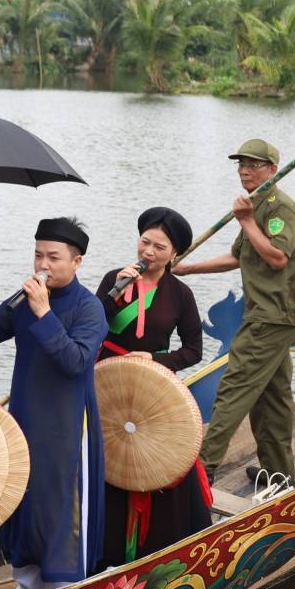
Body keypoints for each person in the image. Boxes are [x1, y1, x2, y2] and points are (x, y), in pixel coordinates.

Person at [0, 217, 107, 589]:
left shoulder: (89, 308)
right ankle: (27, 586)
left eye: (53, 257)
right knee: (28, 500)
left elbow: (75, 361)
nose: (43, 265)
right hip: (26, 420)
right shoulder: (25, 299)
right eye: (38, 255)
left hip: (67, 426)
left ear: (77, 262)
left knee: (61, 506)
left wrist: (44, 314)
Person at [174, 139, 295, 485]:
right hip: (266, 315)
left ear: (272, 170)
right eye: (241, 165)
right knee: (272, 398)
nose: (245, 170)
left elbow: (278, 257)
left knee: (233, 387)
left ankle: (202, 472)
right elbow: (238, 257)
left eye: (254, 165)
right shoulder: (254, 206)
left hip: (272, 316)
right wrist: (189, 269)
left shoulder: (280, 209)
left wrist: (246, 220)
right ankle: (279, 474)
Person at [95, 207, 211, 566]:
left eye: (159, 247)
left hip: (152, 384)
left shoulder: (180, 294)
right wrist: (115, 294)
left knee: (163, 460)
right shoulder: (115, 279)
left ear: (174, 254)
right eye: (145, 242)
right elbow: (89, 324)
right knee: (107, 455)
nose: (148, 252)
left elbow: (194, 350)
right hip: (108, 382)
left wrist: (156, 361)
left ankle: (158, 545)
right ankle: (101, 544)